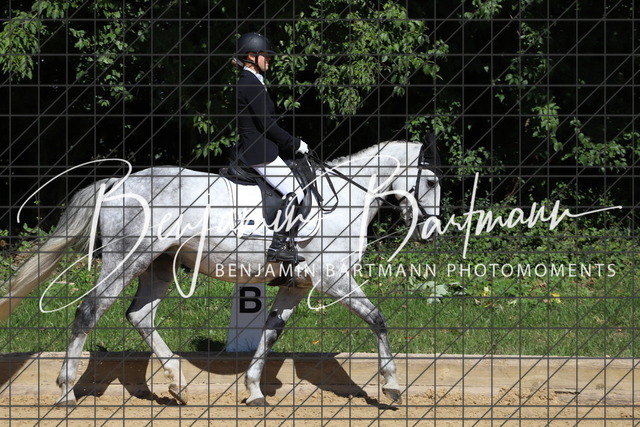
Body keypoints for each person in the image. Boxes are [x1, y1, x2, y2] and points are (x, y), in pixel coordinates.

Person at [233, 32, 309, 263]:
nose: (269, 59)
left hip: (262, 147)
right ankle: (277, 247)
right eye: (265, 55)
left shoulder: (254, 81)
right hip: (259, 152)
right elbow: (267, 125)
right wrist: (294, 144)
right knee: (296, 192)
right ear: (251, 56)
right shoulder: (249, 84)